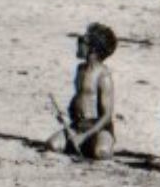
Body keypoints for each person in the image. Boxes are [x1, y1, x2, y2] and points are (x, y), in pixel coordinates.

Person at [48, 23, 117, 159]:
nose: (78, 44)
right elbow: (79, 99)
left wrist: (84, 136)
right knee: (52, 145)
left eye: (82, 41)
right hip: (78, 125)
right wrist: (65, 114)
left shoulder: (103, 75)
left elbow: (106, 116)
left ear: (93, 49)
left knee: (102, 152)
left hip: (98, 128)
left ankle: (91, 143)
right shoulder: (80, 69)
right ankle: (84, 146)